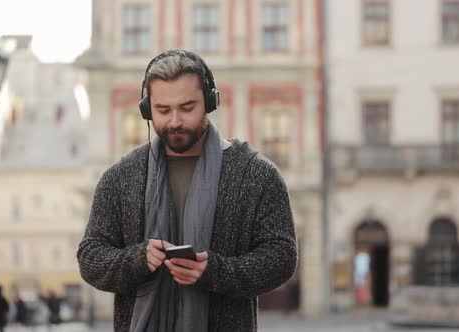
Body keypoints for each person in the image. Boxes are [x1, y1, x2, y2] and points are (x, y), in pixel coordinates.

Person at [77, 49, 297, 331]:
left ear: (209, 102)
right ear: (147, 109)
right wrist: (137, 259)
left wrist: (215, 272)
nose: (175, 121)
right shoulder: (119, 178)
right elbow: (90, 257)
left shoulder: (257, 174)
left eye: (187, 107)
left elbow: (282, 257)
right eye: (163, 110)